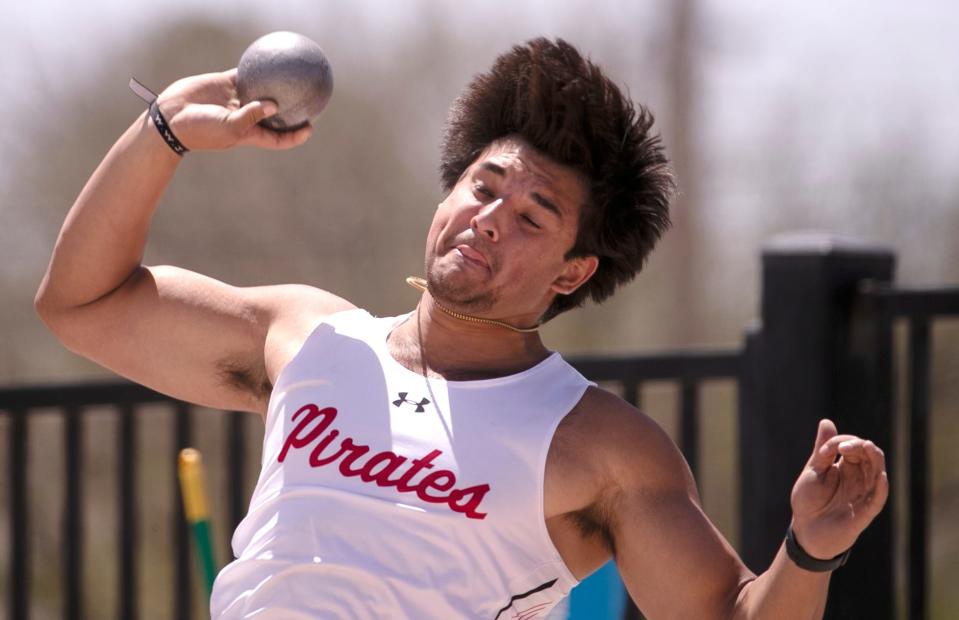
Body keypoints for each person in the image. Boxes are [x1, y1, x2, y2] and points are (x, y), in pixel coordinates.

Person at [36, 37, 888, 619]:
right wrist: (164, 132)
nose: (488, 219)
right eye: (483, 189)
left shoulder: (599, 445)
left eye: (531, 216)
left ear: (571, 272)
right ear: (447, 194)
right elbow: (81, 304)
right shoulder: (309, 337)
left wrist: (808, 551)